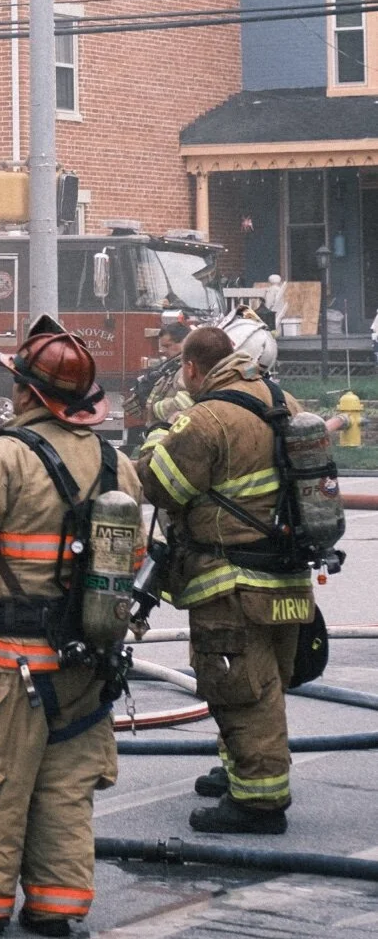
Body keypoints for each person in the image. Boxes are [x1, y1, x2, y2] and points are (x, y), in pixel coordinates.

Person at [0, 316, 142, 939]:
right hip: (87, 660)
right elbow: (134, 558)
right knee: (66, 789)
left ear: (27, 395)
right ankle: (56, 905)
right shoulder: (116, 463)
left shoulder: (4, 457)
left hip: (5, 661)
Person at [137, 321, 313, 836]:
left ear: (193, 368)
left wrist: (156, 430)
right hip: (287, 576)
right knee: (263, 684)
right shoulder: (284, 401)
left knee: (241, 691)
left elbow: (160, 485)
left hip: (232, 580)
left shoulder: (207, 418)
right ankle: (239, 769)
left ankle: (259, 802)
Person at [124, 309, 193, 453]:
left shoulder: (186, 369)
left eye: (168, 346)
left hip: (174, 440)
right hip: (162, 437)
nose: (163, 351)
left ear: (185, 342)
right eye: (162, 346)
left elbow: (184, 404)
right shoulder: (172, 368)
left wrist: (153, 408)